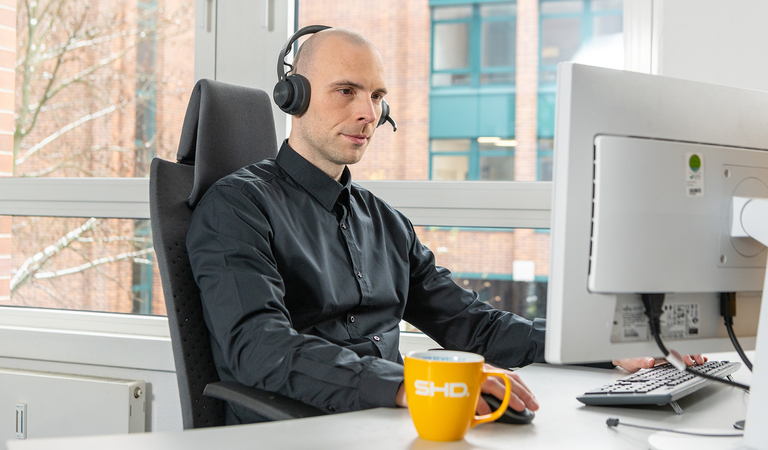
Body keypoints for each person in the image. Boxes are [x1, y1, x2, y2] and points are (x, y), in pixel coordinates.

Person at [186, 28, 704, 424]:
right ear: (293, 97)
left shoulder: (383, 222)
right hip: (297, 428)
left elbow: (473, 325)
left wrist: (605, 347)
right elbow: (259, 349)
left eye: (377, 95)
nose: (368, 113)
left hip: (389, 421)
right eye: (345, 91)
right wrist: (418, 384)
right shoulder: (236, 207)